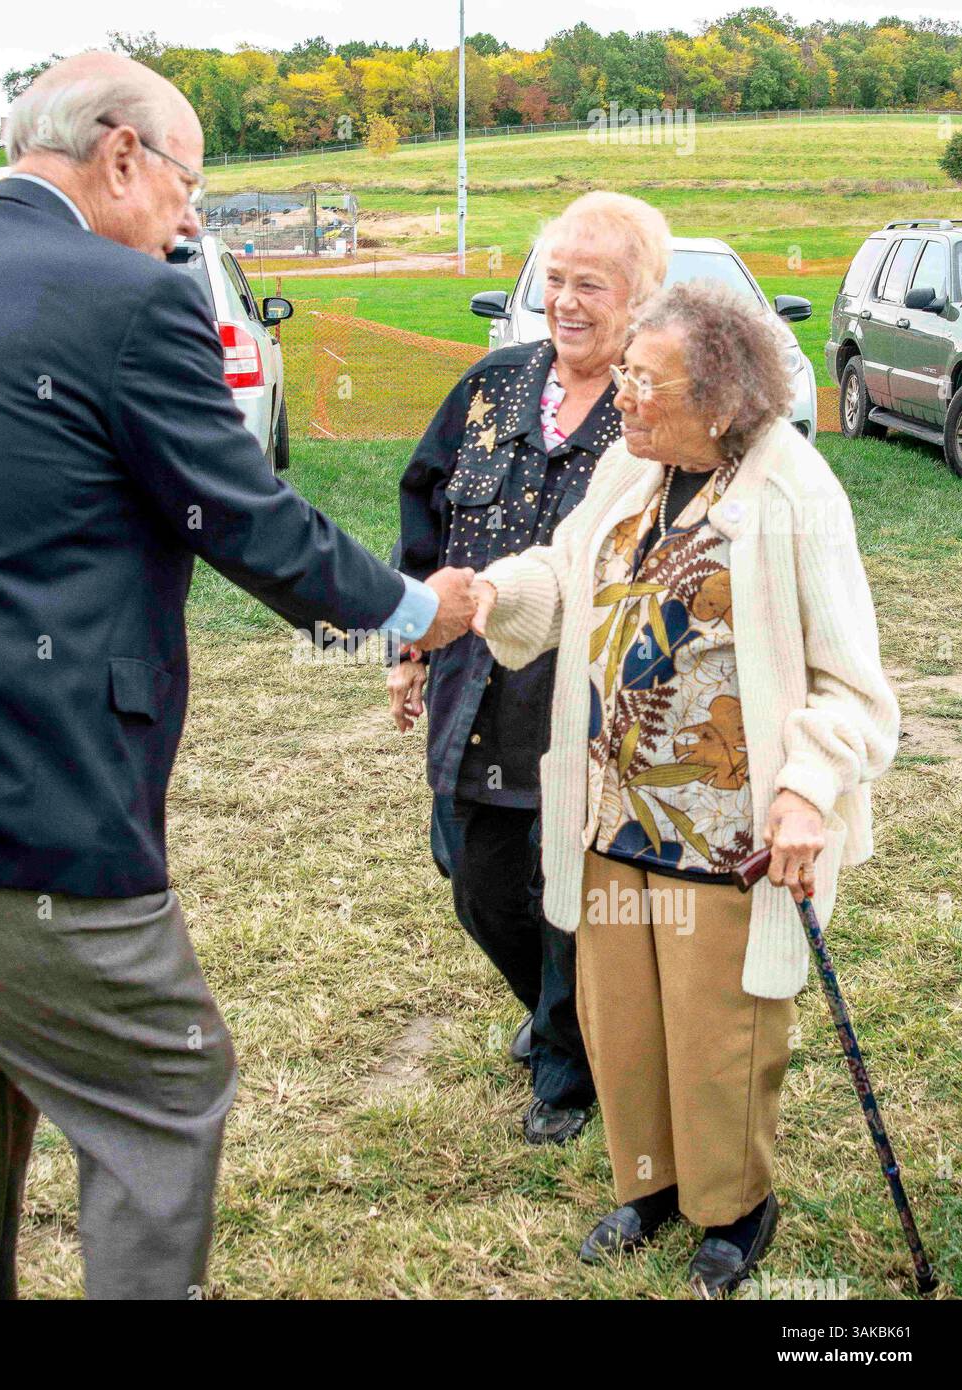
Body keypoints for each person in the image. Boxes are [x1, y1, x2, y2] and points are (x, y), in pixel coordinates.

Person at [0, 52, 476, 1301]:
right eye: (188, 184)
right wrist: (418, 604)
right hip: (5, 806)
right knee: (165, 1092)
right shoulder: (131, 297)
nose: (192, 218)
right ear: (123, 153)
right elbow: (242, 517)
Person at [470, 280, 898, 1297]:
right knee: (624, 1020)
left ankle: (733, 1207)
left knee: (720, 1030)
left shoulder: (791, 491)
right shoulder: (631, 468)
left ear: (719, 399)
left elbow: (851, 682)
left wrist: (807, 786)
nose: (619, 395)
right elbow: (564, 572)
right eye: (621, 373)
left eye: (644, 380)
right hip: (616, 809)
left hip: (729, 828)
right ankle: (649, 1185)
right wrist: (492, 593)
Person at [390, 192, 670, 1145]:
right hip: (473, 679)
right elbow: (421, 513)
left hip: (588, 699)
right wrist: (407, 640)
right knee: (470, 871)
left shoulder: (655, 408)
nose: (566, 301)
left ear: (641, 296)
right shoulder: (488, 387)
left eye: (591, 283)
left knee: (567, 886)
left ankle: (567, 1061)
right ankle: (560, 1014)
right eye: (553, 278)